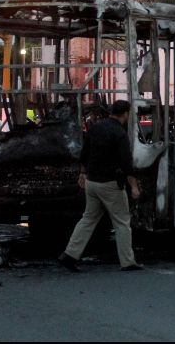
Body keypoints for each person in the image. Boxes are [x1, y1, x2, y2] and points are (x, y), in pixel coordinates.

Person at [59, 100, 142, 272]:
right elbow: (127, 163)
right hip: (110, 184)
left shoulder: (96, 127)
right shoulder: (120, 133)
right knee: (121, 222)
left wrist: (82, 174)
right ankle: (127, 262)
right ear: (125, 114)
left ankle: (69, 255)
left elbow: (85, 152)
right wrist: (134, 186)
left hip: (92, 182)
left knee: (88, 219)